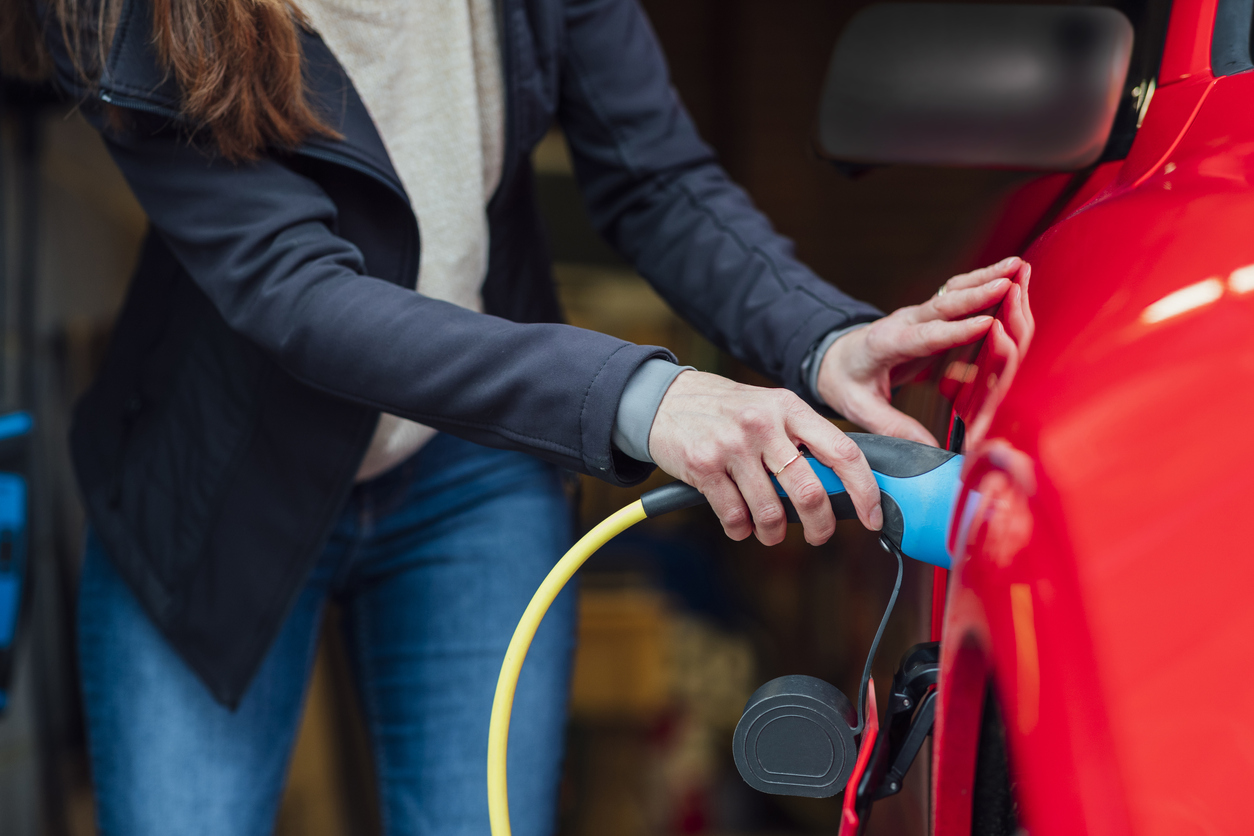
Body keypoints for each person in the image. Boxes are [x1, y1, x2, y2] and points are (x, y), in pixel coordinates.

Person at [4, 0, 1022, 833]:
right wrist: (641, 394)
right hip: (213, 484)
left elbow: (655, 176)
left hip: (470, 470)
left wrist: (821, 339)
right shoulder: (124, 13)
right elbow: (298, 294)